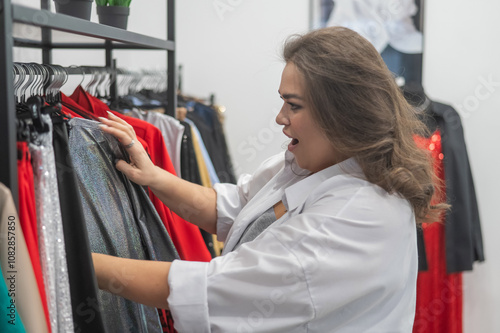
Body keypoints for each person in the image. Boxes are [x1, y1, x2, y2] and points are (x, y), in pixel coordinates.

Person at [93, 26, 446, 332]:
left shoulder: (357, 214)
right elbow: (232, 207)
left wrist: (79, 261)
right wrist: (155, 177)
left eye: (293, 105)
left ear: (341, 113)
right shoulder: (304, 164)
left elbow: (215, 288)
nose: (280, 118)